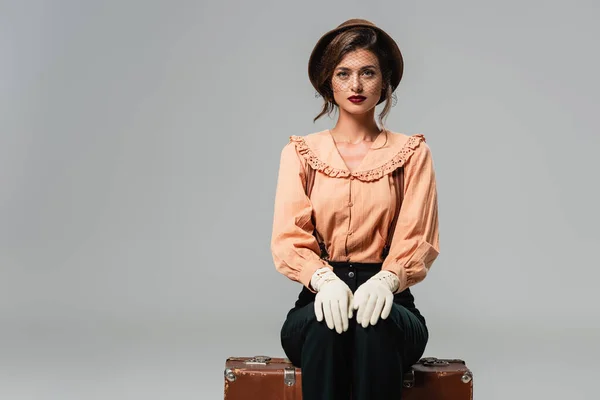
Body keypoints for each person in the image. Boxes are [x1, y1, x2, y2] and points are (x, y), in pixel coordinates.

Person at [270, 18, 440, 400]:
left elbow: (417, 237)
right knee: (327, 325)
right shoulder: (300, 153)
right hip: (317, 301)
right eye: (343, 73)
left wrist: (387, 280)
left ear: (385, 81)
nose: (357, 86)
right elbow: (287, 238)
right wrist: (323, 280)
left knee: (374, 323)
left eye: (368, 73)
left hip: (393, 303)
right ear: (328, 81)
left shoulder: (412, 154)